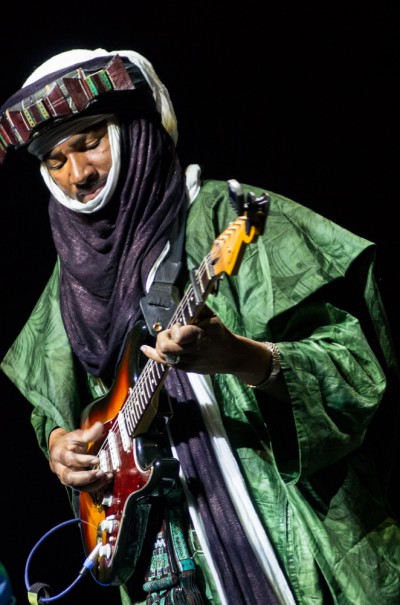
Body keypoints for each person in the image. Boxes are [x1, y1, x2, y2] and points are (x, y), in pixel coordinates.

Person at [0, 47, 399, 605]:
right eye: (55, 161)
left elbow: (358, 368)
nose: (78, 175)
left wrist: (245, 358)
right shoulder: (63, 291)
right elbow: (51, 412)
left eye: (90, 142)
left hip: (292, 540)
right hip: (165, 566)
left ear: (132, 132)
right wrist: (60, 446)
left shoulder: (226, 218)